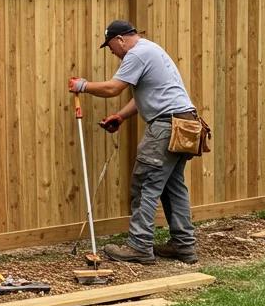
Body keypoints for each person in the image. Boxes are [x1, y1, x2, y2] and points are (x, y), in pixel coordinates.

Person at [68, 19, 198, 265]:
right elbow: (147, 95)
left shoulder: (136, 54)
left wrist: (82, 86)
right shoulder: (152, 49)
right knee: (172, 187)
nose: (111, 52)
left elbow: (113, 88)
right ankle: (184, 246)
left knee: (145, 184)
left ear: (120, 40)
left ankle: (139, 246)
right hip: (185, 124)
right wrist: (121, 116)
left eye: (110, 46)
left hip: (166, 127)